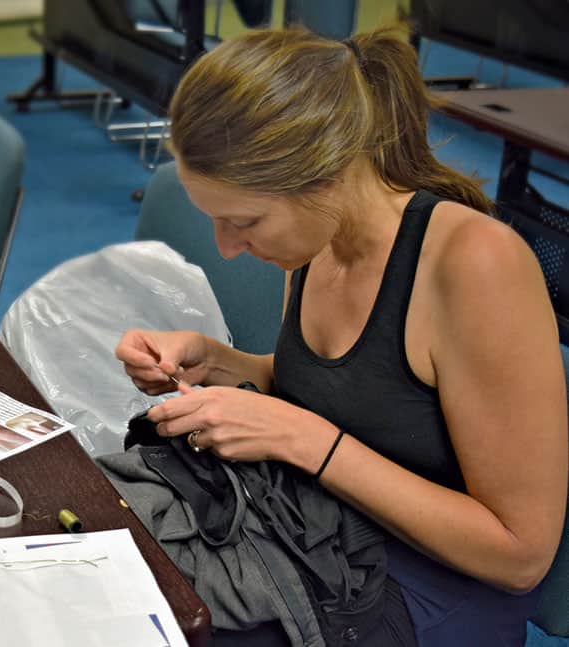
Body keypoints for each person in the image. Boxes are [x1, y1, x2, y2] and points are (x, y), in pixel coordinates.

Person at [115, 27, 567, 646]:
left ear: (324, 177)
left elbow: (520, 558)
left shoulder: (475, 262)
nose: (226, 249)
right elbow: (358, 392)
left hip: (436, 591)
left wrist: (308, 442)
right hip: (321, 529)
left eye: (244, 221)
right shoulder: (317, 239)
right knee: (106, 556)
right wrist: (219, 363)